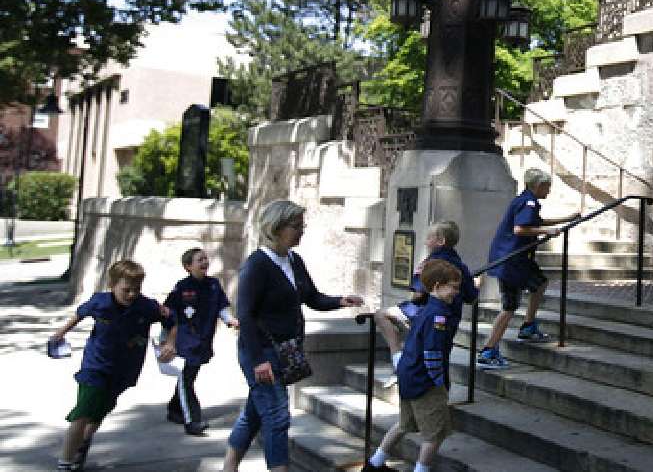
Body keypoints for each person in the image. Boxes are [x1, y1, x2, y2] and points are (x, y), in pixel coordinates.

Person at [222, 200, 364, 472]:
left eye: (302, 225)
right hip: (261, 352)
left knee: (255, 413)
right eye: (296, 226)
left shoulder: (293, 260)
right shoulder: (257, 265)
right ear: (276, 228)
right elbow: (246, 316)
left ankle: (229, 466)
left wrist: (340, 301)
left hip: (285, 350)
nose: (302, 231)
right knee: (277, 417)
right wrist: (258, 361)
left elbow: (312, 297)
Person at [49, 259, 171, 472]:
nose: (132, 294)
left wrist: (170, 343)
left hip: (125, 370)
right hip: (95, 367)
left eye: (136, 289)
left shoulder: (146, 306)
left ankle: (82, 445)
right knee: (83, 412)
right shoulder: (100, 302)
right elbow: (80, 314)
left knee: (100, 411)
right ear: (112, 285)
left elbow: (171, 320)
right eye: (126, 290)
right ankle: (65, 462)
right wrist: (60, 333)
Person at [362, 259, 464, 472]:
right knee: (435, 435)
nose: (456, 292)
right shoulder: (438, 315)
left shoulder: (424, 310)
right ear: (437, 286)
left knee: (404, 424)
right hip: (424, 382)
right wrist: (439, 382)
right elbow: (432, 352)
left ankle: (374, 463)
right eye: (453, 287)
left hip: (409, 376)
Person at [476, 168, 578, 369]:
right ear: (538, 186)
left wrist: (566, 219)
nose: (549, 190)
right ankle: (488, 350)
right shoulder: (528, 202)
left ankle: (528, 326)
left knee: (539, 283)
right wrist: (547, 231)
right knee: (509, 307)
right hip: (511, 261)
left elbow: (535, 222)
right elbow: (520, 229)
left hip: (518, 260)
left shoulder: (525, 200)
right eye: (547, 187)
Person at [374, 221, 477, 388]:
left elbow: (418, 294)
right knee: (441, 353)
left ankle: (398, 360)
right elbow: (471, 297)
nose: (425, 242)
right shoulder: (461, 266)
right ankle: (442, 389)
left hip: (425, 314)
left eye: (429, 238)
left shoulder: (430, 264)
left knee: (381, 315)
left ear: (441, 241)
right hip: (450, 318)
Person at [162, 247, 239, 435]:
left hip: (203, 341)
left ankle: (174, 409)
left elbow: (222, 306)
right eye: (200, 260)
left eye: (205, 259)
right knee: (186, 380)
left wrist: (229, 320)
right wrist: (167, 340)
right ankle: (192, 420)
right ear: (188, 266)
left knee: (188, 377)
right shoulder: (182, 287)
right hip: (185, 341)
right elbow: (168, 312)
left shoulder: (213, 285)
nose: (205, 262)